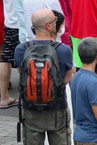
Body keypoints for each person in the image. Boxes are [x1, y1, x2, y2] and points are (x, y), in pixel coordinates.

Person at [14, 8, 74, 145]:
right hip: (57, 109)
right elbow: (66, 79)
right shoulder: (63, 50)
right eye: (55, 20)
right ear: (49, 26)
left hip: (30, 110)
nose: (57, 22)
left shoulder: (21, 49)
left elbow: (22, 74)